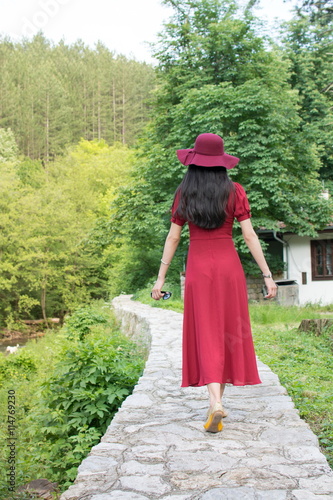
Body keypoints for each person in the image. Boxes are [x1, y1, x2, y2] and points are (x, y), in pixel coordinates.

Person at [151, 133, 277, 433]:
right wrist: (268, 275)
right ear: (221, 163)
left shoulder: (184, 193)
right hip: (228, 267)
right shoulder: (235, 191)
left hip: (198, 269)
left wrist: (160, 279)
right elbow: (249, 235)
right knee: (227, 331)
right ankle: (216, 402)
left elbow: (173, 237)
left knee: (205, 330)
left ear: (194, 163)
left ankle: (215, 402)